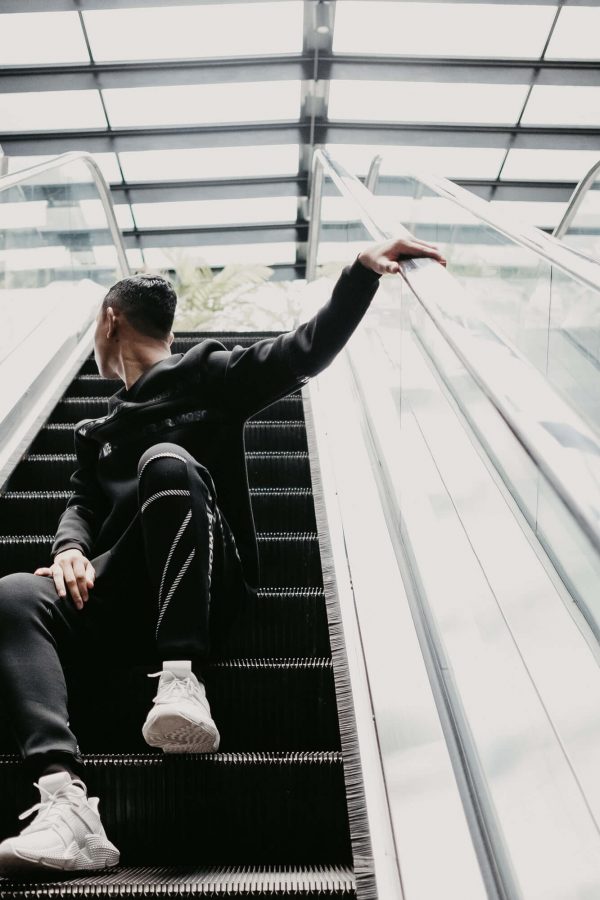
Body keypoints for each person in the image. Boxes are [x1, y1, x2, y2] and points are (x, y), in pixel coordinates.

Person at [0, 235, 446, 874]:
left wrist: (359, 275)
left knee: (166, 462)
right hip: (123, 589)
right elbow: (83, 504)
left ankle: (181, 676)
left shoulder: (211, 374)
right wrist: (70, 547)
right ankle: (66, 805)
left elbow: (305, 349)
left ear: (109, 319)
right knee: (14, 592)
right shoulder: (96, 432)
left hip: (207, 584)